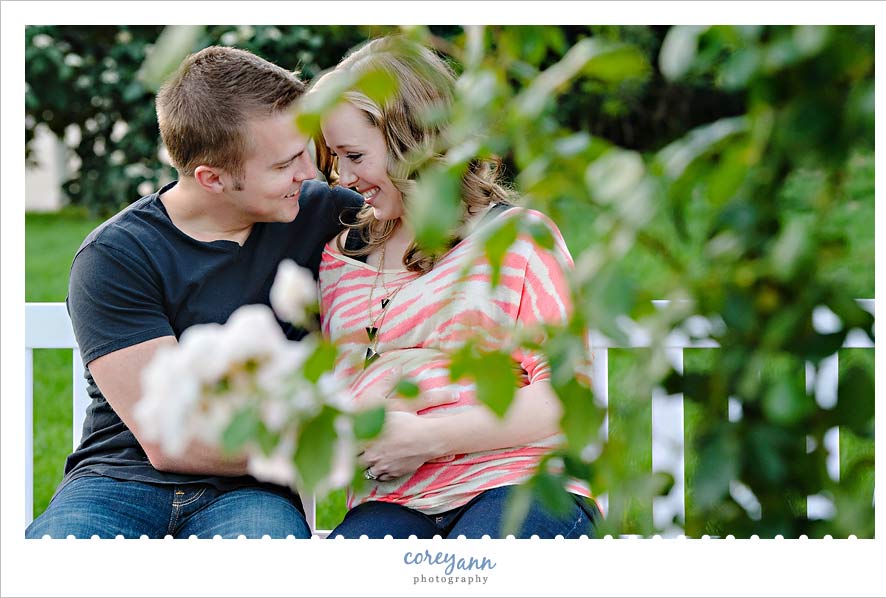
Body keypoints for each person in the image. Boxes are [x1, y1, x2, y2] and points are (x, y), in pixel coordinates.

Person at [25, 46, 361, 539]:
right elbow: (169, 441)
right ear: (213, 178)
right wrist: (336, 445)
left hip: (252, 492)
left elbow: (443, 226)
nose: (308, 173)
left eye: (304, 151)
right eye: (284, 163)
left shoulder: (319, 214)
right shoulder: (116, 255)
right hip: (117, 480)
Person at [314, 37, 601, 539]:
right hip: (394, 502)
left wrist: (425, 436)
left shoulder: (516, 239)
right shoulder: (340, 259)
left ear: (412, 140)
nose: (343, 176)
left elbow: (564, 399)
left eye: (354, 155)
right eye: (336, 158)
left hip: (520, 482)